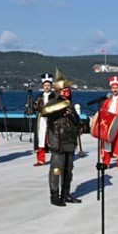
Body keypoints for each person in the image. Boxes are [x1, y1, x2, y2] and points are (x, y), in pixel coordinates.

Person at [43, 78, 83, 206]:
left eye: (68, 90)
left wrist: (79, 124)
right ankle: (54, 195)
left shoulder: (70, 104)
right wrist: (62, 106)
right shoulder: (52, 103)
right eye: (65, 89)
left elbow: (77, 121)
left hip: (70, 139)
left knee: (68, 169)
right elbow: (44, 112)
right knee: (56, 169)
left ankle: (66, 194)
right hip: (58, 140)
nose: (68, 92)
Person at [31, 73, 56, 166]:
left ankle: (55, 159)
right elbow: (34, 107)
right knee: (41, 138)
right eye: (45, 85)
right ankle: (41, 159)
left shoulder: (55, 96)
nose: (47, 87)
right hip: (41, 119)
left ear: (51, 86)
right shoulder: (39, 96)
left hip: (52, 119)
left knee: (53, 138)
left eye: (48, 85)